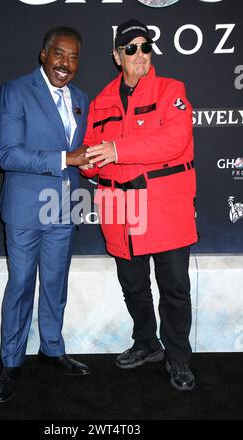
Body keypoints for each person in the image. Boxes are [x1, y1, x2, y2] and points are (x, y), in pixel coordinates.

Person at [81, 19, 197, 391]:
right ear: (117, 56)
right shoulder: (100, 101)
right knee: (133, 286)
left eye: (145, 47)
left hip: (165, 208)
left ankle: (178, 358)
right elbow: (91, 150)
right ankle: (147, 343)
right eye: (130, 48)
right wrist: (87, 165)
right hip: (119, 210)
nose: (139, 55)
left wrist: (117, 149)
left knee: (175, 289)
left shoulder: (171, 90)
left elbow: (174, 140)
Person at [0, 26, 91, 403]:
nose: (66, 63)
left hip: (64, 207)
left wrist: (94, 160)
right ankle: (12, 361)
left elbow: (80, 153)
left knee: (55, 285)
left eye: (73, 57)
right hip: (24, 209)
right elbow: (8, 155)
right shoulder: (15, 92)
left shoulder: (80, 98)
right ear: (44, 55)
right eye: (59, 54)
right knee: (20, 287)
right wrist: (68, 158)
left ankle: (52, 348)